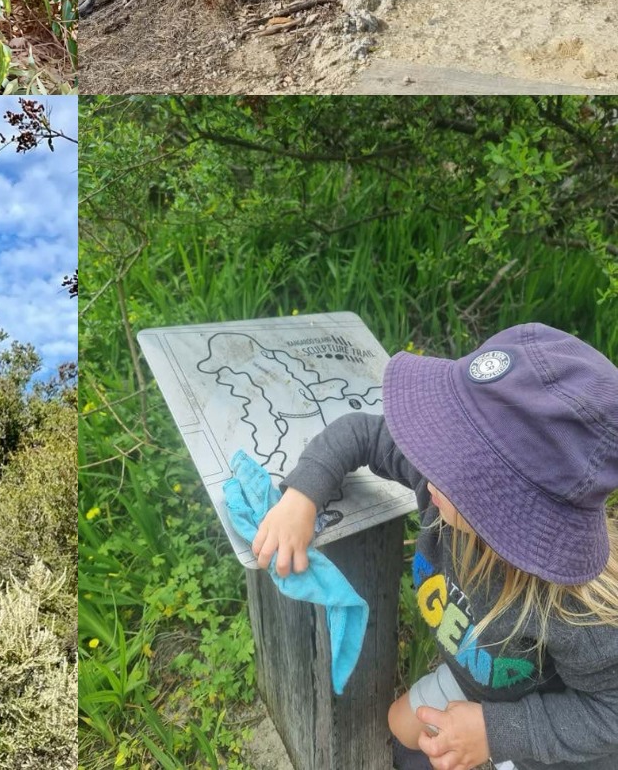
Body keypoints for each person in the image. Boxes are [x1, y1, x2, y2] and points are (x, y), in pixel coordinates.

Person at [250, 324, 618, 770]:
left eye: (459, 466)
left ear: (515, 513)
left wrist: (494, 732)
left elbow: (609, 713)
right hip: (477, 685)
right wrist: (302, 497)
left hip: (550, 739)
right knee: (400, 726)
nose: (429, 466)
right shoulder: (440, 488)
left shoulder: (571, 609)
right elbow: (361, 433)